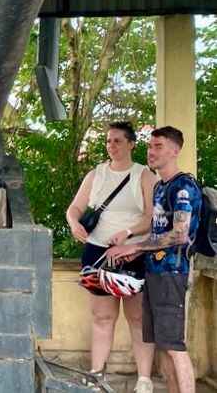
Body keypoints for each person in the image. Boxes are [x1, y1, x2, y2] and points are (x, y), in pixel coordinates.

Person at [109, 126, 200, 393]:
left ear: (175, 150)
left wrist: (135, 248)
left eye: (158, 146)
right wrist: (135, 248)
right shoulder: (161, 186)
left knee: (174, 347)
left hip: (174, 272)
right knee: (163, 346)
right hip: (155, 272)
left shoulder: (183, 186)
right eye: (149, 146)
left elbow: (180, 234)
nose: (151, 152)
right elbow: (158, 229)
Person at [66, 121, 155, 392]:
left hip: (133, 252)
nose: (111, 146)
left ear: (131, 144)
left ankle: (143, 379)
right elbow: (75, 208)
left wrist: (128, 233)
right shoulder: (96, 174)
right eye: (108, 141)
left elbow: (153, 218)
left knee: (138, 318)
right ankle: (97, 374)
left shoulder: (144, 175)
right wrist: (74, 223)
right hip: (97, 251)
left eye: (117, 140)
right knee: (102, 318)